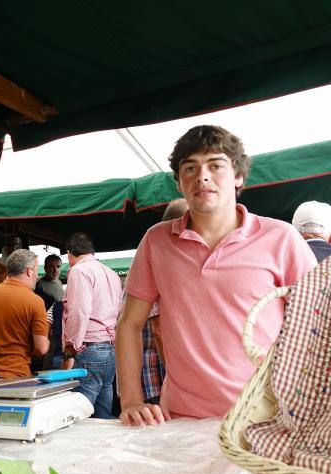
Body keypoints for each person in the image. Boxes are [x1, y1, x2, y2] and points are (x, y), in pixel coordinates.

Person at [116, 125, 316, 425]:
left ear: (238, 176)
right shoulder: (156, 242)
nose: (202, 176)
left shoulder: (281, 238)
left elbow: (320, 323)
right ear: (179, 182)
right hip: (181, 420)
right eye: (190, 168)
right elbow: (130, 324)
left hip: (266, 419)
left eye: (216, 165)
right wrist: (131, 400)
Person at [61, 232, 124, 419]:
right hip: (110, 347)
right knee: (103, 415)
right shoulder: (111, 273)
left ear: (69, 252)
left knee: (79, 414)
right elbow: (120, 310)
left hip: (90, 348)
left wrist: (70, 350)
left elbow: (79, 311)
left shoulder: (79, 271)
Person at [0, 250, 49, 378]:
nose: (37, 276)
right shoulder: (35, 301)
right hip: (15, 376)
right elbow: (41, 348)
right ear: (29, 271)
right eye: (36, 270)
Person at [142, 198, 190, 404]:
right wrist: (178, 375)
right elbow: (159, 330)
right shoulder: (158, 264)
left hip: (162, 373)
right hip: (157, 374)